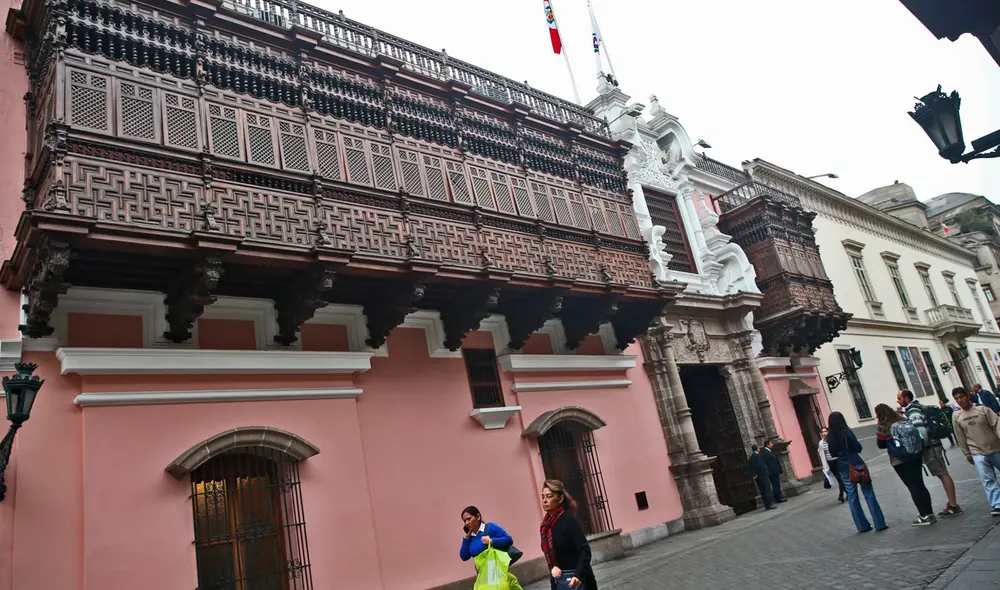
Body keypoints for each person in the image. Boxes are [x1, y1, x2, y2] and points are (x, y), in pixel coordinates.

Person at [898, 389, 962, 517]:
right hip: (934, 445)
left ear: (906, 399)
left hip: (931, 447)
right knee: (942, 473)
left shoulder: (913, 411)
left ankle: (953, 505)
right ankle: (952, 503)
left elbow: (921, 431)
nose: (897, 401)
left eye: (899, 398)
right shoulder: (917, 407)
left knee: (942, 474)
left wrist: (920, 448)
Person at [875, 404, 936, 526]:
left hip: (899, 460)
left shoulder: (884, 426)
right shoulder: (902, 419)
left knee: (913, 487)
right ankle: (930, 513)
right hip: (915, 456)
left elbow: (880, 444)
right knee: (920, 485)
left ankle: (923, 515)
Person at [826, 411, 887, 533]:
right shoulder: (847, 432)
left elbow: (832, 454)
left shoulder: (829, 437)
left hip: (843, 467)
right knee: (868, 492)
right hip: (856, 463)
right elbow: (858, 448)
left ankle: (862, 526)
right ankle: (879, 523)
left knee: (852, 496)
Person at [951, 387, 1000, 516]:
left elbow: (997, 425)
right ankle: (997, 504)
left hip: (995, 448)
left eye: (962, 397)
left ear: (968, 396)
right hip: (977, 452)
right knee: (987, 479)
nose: (960, 400)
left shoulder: (983, 409)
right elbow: (960, 436)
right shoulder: (956, 416)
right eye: (956, 399)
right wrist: (966, 453)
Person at [540, 480, 596, 590]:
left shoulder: (569, 521)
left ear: (560, 499)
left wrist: (578, 575)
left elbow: (585, 550)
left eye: (549, 496)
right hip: (559, 580)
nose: (545, 500)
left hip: (577, 580)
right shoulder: (546, 526)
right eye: (543, 497)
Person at [460, 506, 523, 590]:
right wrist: (466, 539)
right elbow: (464, 556)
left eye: (469, 519)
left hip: (495, 571)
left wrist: (491, 541)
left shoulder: (490, 528)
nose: (467, 523)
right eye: (464, 521)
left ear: (478, 516)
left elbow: (509, 540)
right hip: (482, 575)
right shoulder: (470, 537)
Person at [819, 426, 846, 503]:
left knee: (840, 478)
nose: (824, 433)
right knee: (838, 479)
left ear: (828, 432)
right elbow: (822, 456)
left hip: (836, 461)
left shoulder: (832, 440)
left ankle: (841, 496)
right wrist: (825, 468)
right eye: (822, 432)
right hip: (830, 463)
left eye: (825, 431)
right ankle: (848, 493)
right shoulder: (821, 443)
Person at [747, 444, 775, 510]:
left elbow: (751, 467)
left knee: (762, 491)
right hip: (763, 475)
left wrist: (754, 474)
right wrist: (765, 472)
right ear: (757, 449)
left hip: (758, 477)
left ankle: (766, 505)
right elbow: (760, 465)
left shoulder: (751, 457)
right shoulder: (758, 456)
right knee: (767, 489)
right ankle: (769, 504)